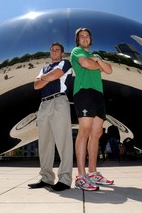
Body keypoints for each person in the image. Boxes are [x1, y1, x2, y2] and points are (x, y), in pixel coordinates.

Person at [71, 27, 113, 191]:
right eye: (81, 36)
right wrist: (98, 64)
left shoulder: (97, 56)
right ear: (78, 40)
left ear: (90, 39)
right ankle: (81, 176)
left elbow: (109, 70)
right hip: (84, 91)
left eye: (87, 36)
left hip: (98, 94)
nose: (84, 38)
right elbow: (86, 64)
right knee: (85, 130)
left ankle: (93, 173)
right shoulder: (77, 51)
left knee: (97, 133)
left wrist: (98, 61)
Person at [27, 42, 73, 192]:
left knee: (63, 141)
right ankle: (46, 178)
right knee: (45, 143)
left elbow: (56, 75)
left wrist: (44, 79)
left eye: (57, 49)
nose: (54, 51)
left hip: (59, 101)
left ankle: (65, 179)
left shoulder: (65, 63)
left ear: (61, 53)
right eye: (52, 49)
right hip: (44, 105)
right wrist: (49, 77)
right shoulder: (44, 68)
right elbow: (35, 85)